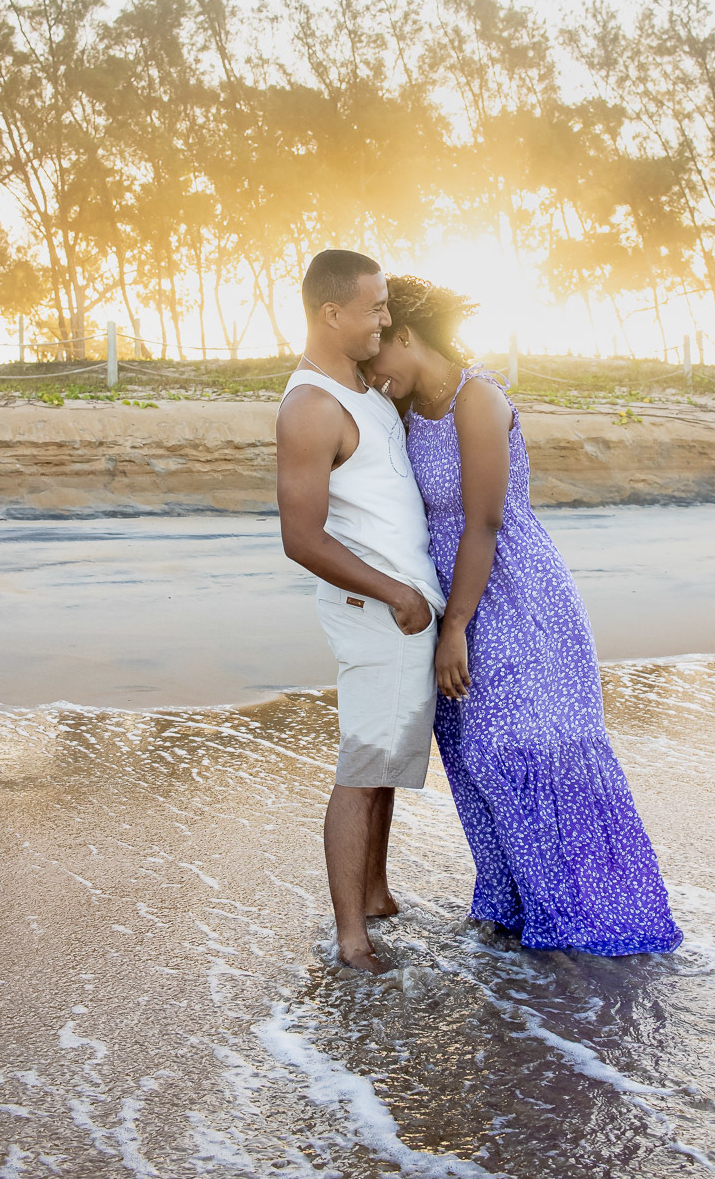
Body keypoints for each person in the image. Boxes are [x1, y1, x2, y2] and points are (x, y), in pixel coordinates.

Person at [363, 274, 683, 956]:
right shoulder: (403, 407)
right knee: (474, 755)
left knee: (523, 747)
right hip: (451, 595)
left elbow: (482, 523)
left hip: (513, 593)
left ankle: (587, 915)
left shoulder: (477, 399)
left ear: (406, 335)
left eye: (375, 354)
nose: (370, 371)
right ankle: (514, 906)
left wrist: (455, 631)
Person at [276, 250, 445, 975]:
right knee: (360, 768)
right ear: (330, 314)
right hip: (377, 610)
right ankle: (351, 938)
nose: (385, 318)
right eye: (374, 307)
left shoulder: (368, 390)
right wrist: (397, 593)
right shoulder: (311, 406)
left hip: (403, 611)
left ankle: (374, 895)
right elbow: (301, 538)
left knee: (383, 763)